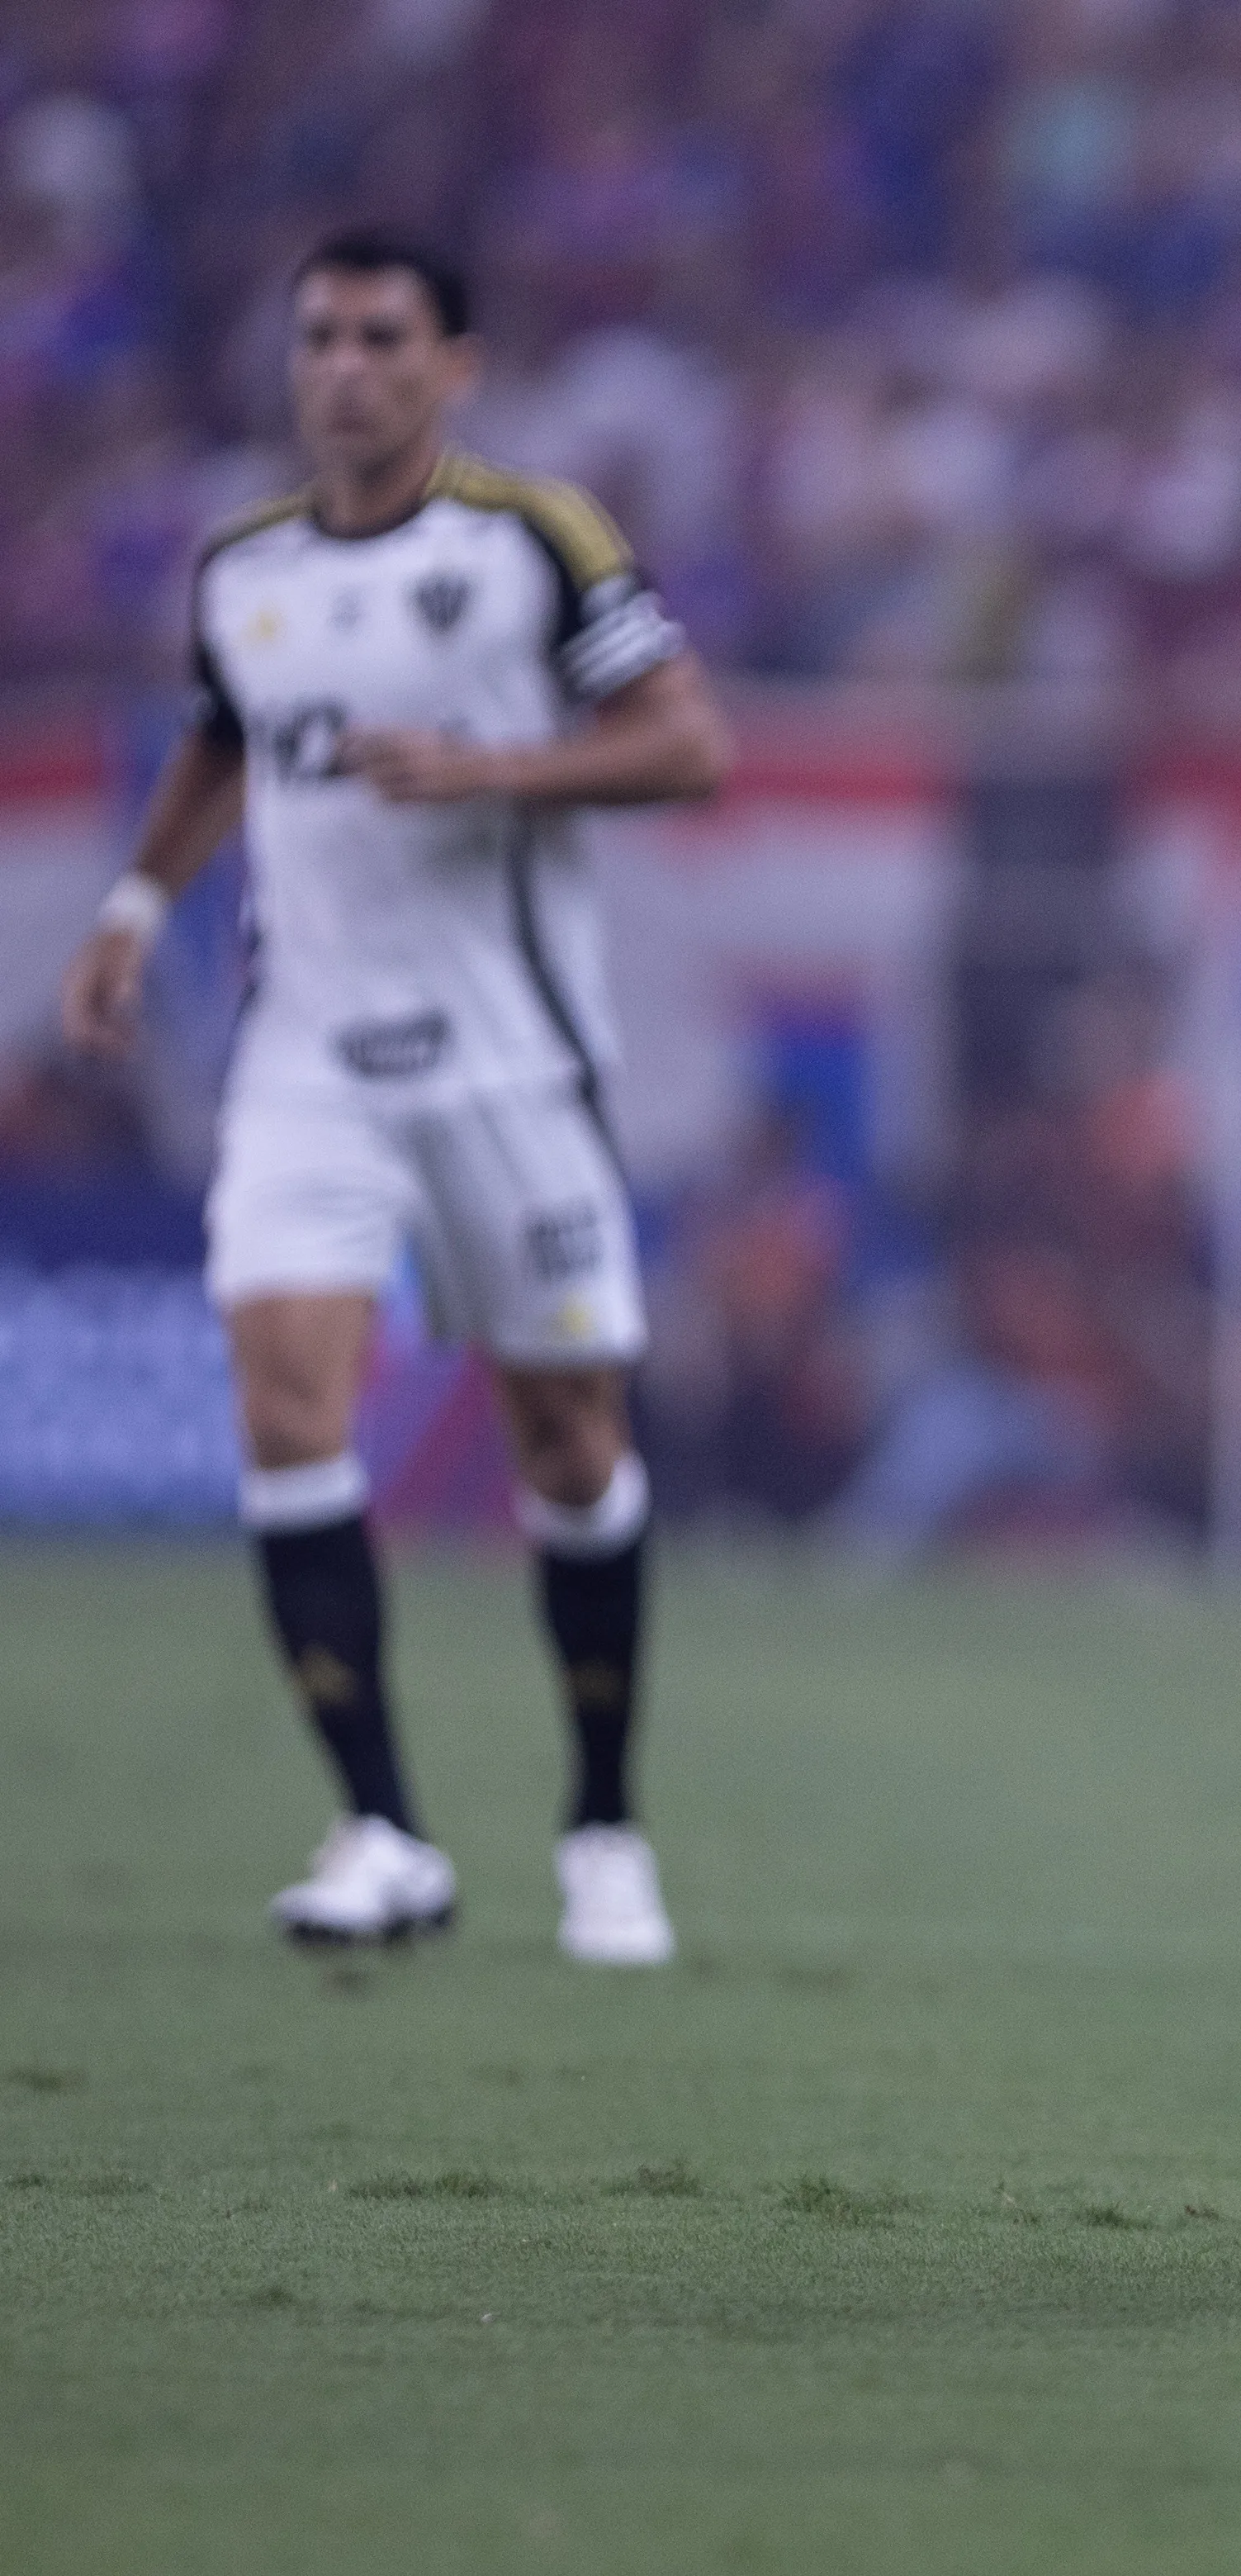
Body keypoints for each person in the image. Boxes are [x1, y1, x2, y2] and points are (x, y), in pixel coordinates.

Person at [56, 230, 727, 1962]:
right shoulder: (240, 571)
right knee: (285, 1400)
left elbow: (688, 740)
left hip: (512, 1055)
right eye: (318, 339)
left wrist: (497, 764)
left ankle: (601, 1824)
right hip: (308, 1064)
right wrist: (133, 908)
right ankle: (380, 1828)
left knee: (569, 1440)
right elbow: (222, 735)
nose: (344, 367)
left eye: (380, 337)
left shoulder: (529, 542)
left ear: (454, 365)